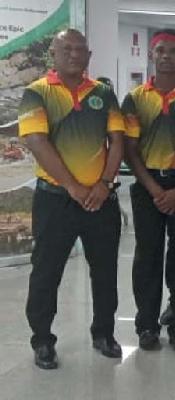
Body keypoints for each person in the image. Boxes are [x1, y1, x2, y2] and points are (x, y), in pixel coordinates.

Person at [19, 29, 125, 369]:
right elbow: (37, 142)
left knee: (105, 271)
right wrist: (72, 187)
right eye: (67, 48)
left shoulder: (103, 93)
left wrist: (105, 183)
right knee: (46, 271)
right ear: (53, 52)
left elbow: (117, 140)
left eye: (80, 49)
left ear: (89, 55)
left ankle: (104, 333)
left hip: (101, 200)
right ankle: (42, 340)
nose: (74, 54)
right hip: (55, 201)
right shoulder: (37, 93)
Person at [122, 29, 175, 351]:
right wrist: (154, 188)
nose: (167, 57)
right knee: (148, 256)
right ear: (151, 55)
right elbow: (130, 150)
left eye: (173, 51)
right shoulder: (136, 98)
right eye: (161, 51)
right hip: (148, 186)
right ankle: (146, 325)